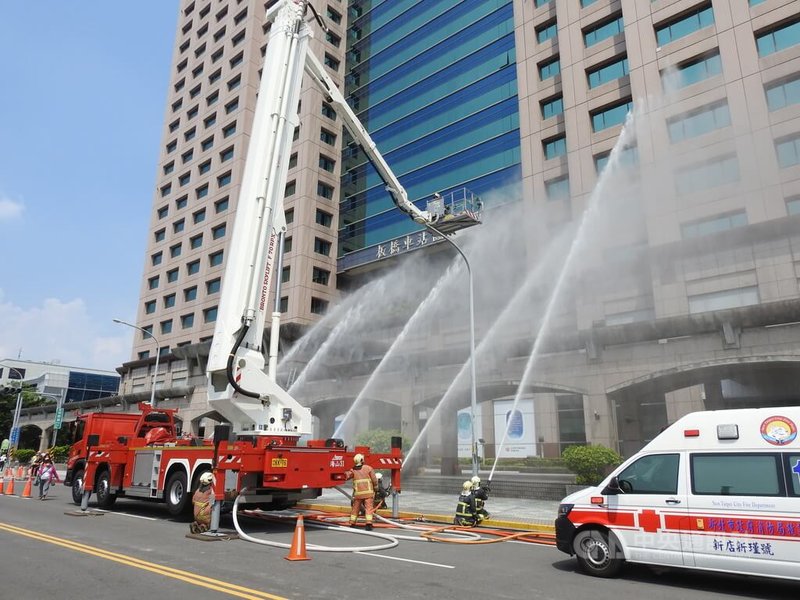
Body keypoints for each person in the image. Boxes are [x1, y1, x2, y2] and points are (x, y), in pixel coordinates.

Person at [344, 453, 378, 530]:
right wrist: (376, 487)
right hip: (368, 493)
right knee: (368, 508)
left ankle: (352, 523)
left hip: (358, 494)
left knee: (355, 508)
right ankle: (368, 524)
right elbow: (374, 479)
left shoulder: (353, 470)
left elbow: (346, 476)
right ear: (362, 460)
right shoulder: (368, 468)